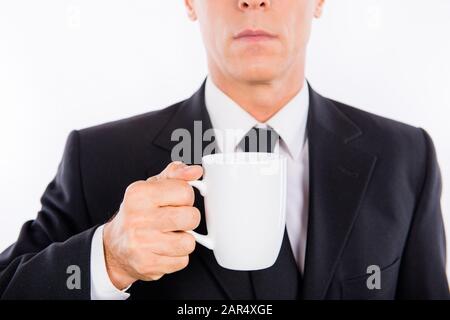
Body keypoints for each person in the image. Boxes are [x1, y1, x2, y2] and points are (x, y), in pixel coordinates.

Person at [0, 0, 448, 300]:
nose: (253, 1)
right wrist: (107, 258)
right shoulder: (97, 159)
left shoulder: (405, 159)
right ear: (190, 3)